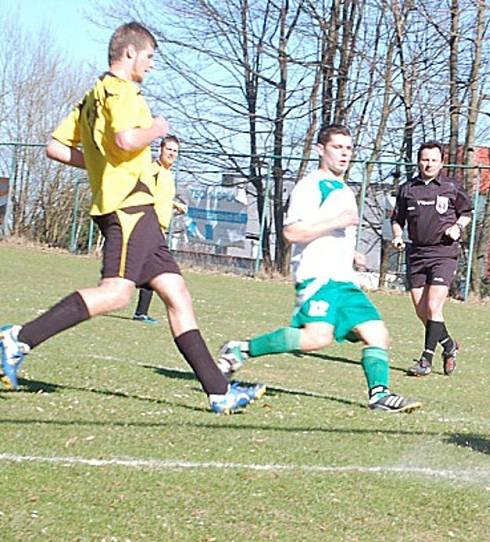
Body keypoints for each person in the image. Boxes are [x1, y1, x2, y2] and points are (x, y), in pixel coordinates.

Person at [0, 22, 263, 414]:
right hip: (129, 208)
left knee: (177, 294)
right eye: (150, 57)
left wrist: (100, 164)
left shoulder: (93, 96)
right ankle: (17, 340)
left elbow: (56, 148)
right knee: (118, 293)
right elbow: (125, 139)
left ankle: (219, 391)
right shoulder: (123, 92)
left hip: (138, 212)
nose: (152, 65)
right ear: (130, 53)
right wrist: (155, 128)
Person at [217, 124, 421, 413]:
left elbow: (332, 234)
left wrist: (352, 252)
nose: (344, 154)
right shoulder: (310, 186)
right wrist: (334, 223)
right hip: (318, 278)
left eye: (349, 149)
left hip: (344, 281)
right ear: (320, 150)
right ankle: (241, 349)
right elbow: (292, 233)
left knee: (378, 333)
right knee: (316, 338)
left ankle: (379, 395)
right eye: (338, 147)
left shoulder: (345, 190)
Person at [390, 141, 472, 377]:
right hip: (416, 253)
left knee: (434, 306)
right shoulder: (408, 189)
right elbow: (397, 219)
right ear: (418, 161)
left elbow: (466, 212)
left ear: (441, 162)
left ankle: (426, 359)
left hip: (443, 253)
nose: (429, 164)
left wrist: (457, 227)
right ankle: (448, 345)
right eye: (425, 159)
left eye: (434, 160)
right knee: (421, 311)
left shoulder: (450, 187)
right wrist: (397, 236)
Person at [132, 135, 188, 324]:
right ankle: (139, 311)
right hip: (150, 228)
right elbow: (143, 196)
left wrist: (174, 205)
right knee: (155, 270)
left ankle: (140, 312)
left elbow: (159, 197)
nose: (172, 153)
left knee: (151, 270)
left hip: (159, 229)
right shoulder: (153, 171)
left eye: (175, 151)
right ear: (161, 150)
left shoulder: (167, 174)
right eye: (169, 149)